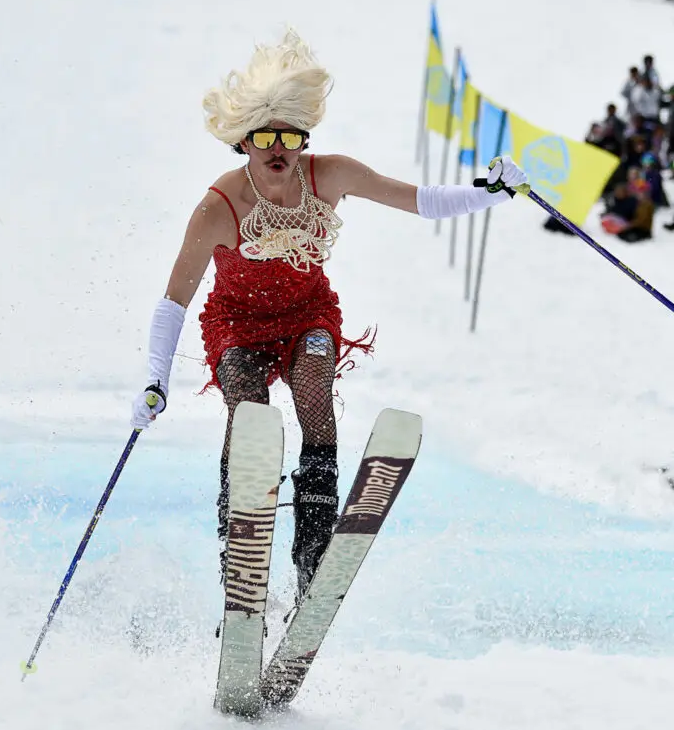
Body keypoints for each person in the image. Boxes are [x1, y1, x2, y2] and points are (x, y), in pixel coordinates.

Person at [130, 30, 528, 596]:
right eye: (264, 135)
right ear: (244, 143)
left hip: (307, 315)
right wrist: (154, 380)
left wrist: (489, 193)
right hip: (238, 324)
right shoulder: (220, 207)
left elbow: (418, 200)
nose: (278, 147)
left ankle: (312, 552)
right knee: (248, 403)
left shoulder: (328, 175)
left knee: (314, 385)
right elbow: (174, 303)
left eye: (290, 136)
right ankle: (238, 547)